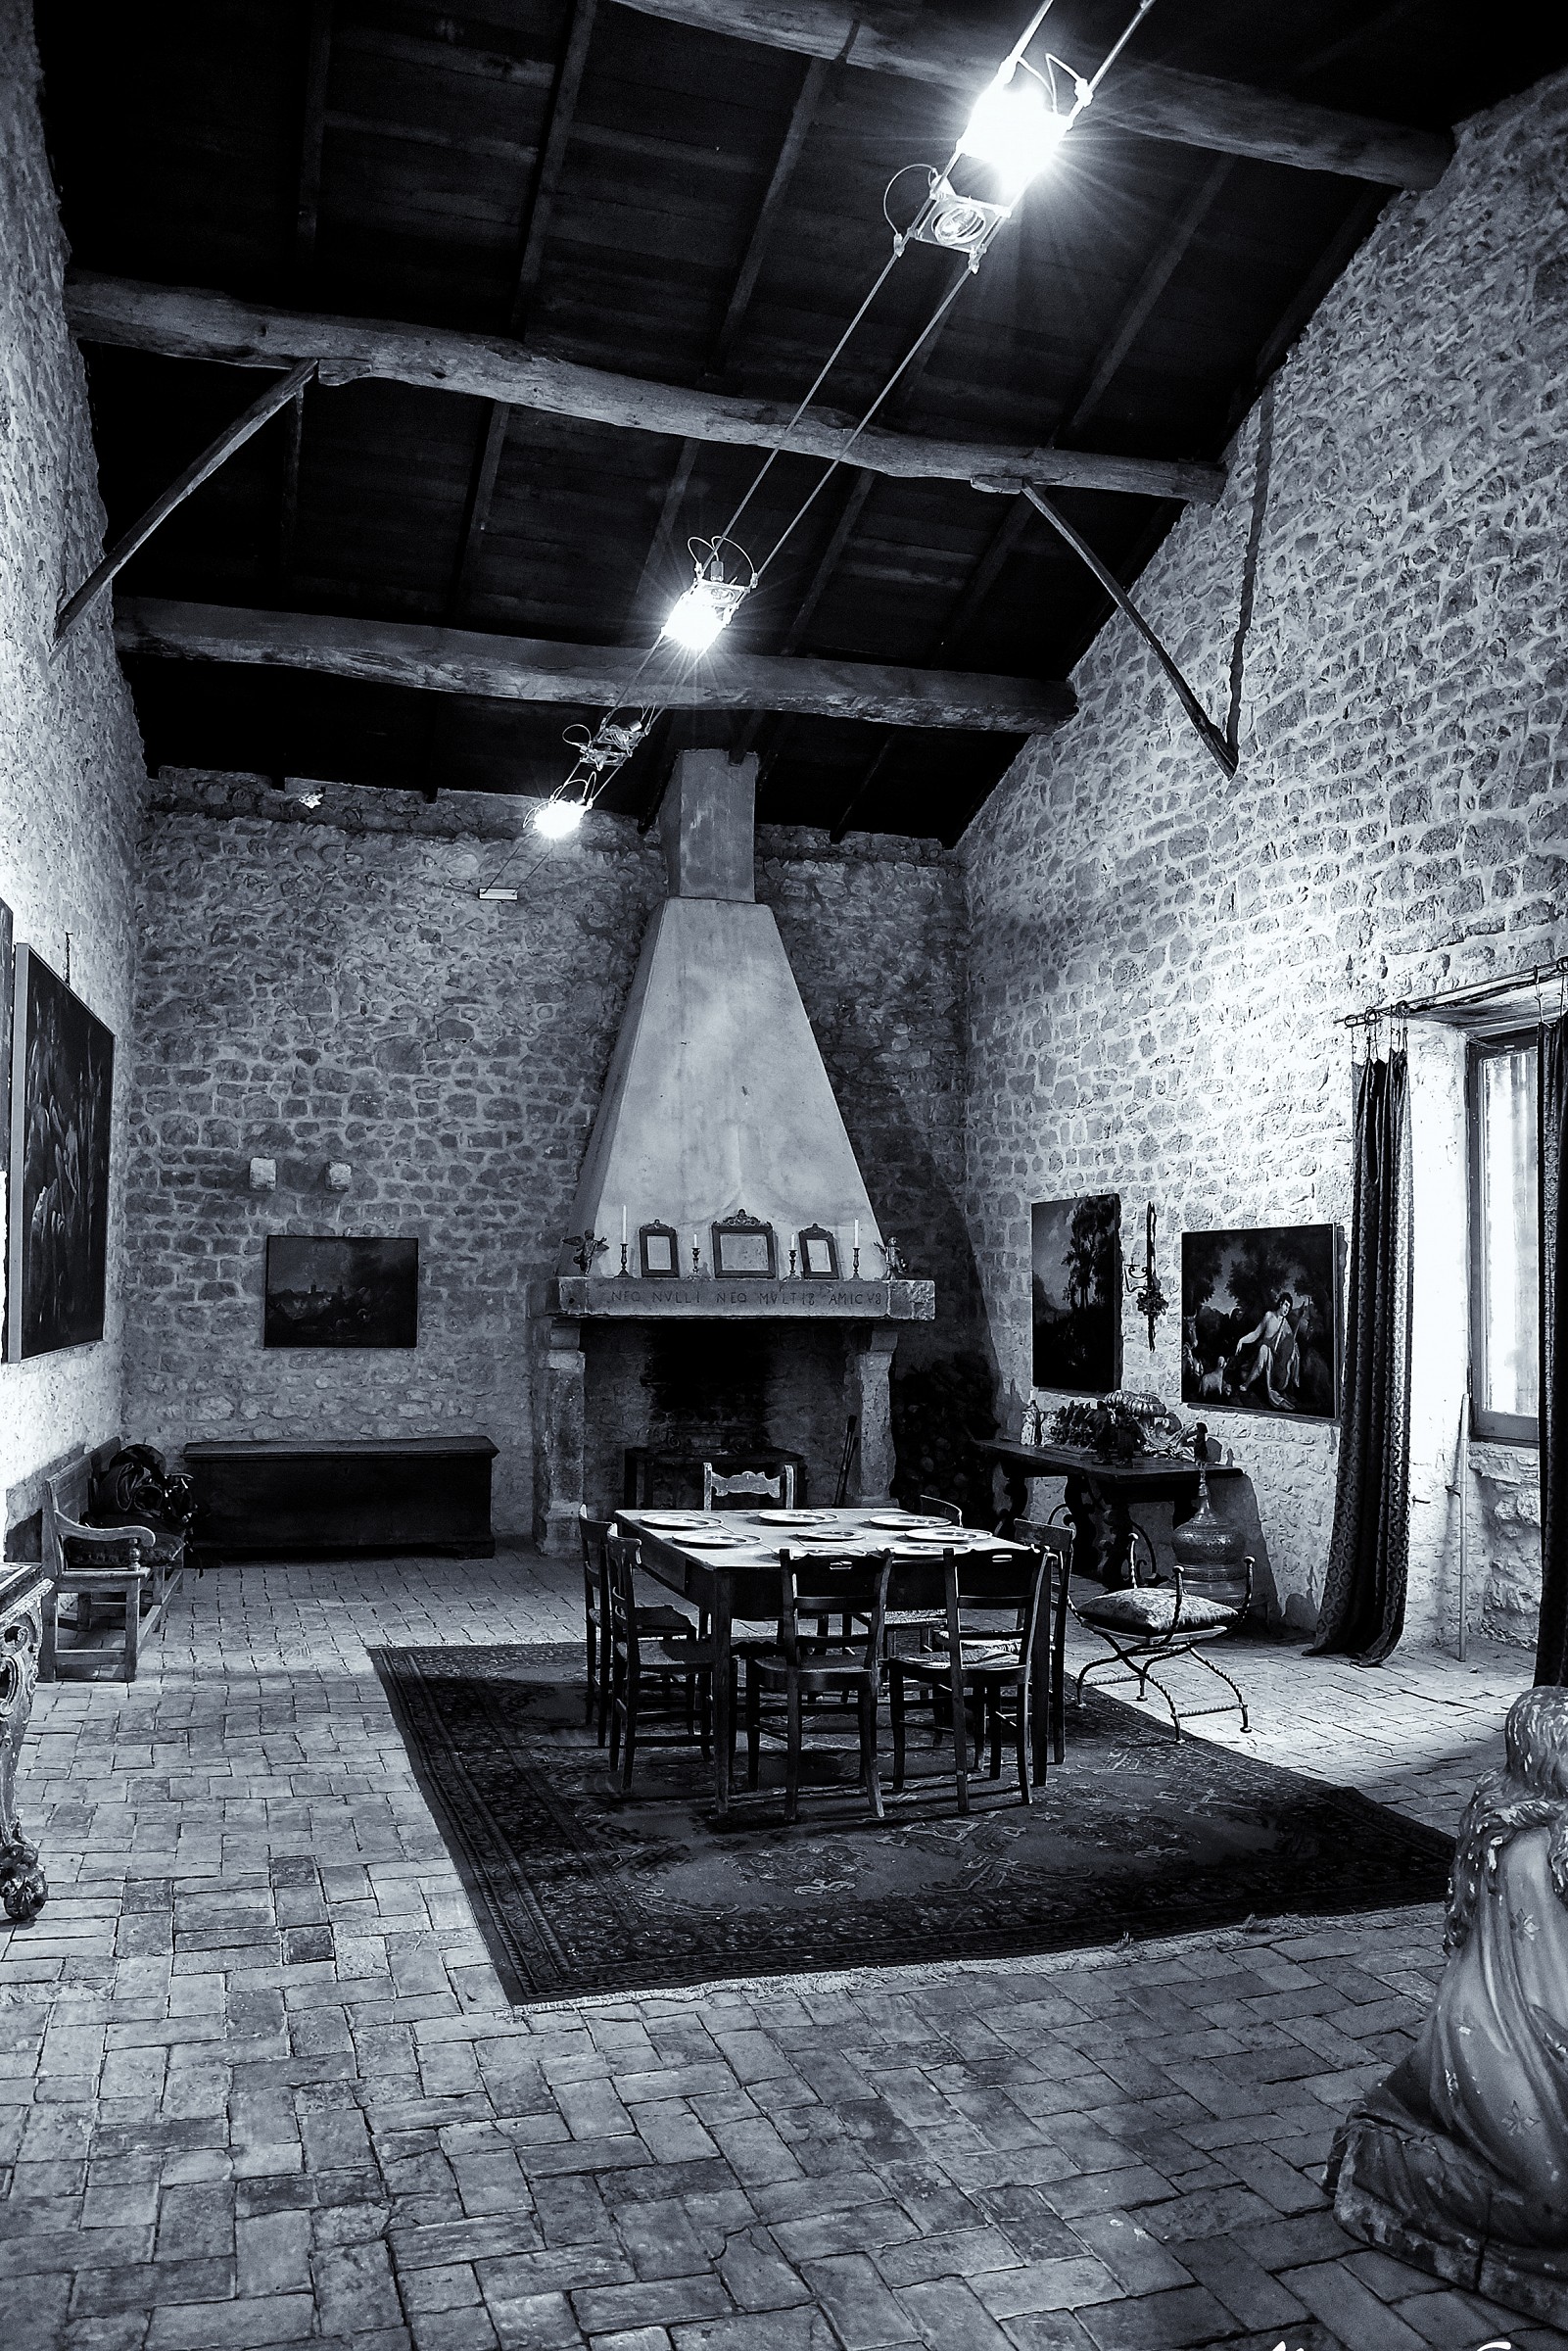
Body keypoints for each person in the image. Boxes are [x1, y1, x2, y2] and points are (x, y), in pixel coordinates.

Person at [1329, 1685, 1568, 2317]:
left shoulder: (1531, 1823)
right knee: (1551, 2199)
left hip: (1538, 2018)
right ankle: (1380, 2158)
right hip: (1495, 2034)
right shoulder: (1528, 1839)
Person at [1229, 1292, 1296, 1408]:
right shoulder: (1269, 1316)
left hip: (1275, 1358)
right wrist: (1242, 1340)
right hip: (1262, 1351)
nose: (1287, 1309)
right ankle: (1247, 1384)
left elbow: (1289, 1344)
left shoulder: (1285, 1325)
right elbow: (1256, 1334)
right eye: (1286, 1305)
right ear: (1280, 1303)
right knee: (1264, 1349)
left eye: (1289, 1307)